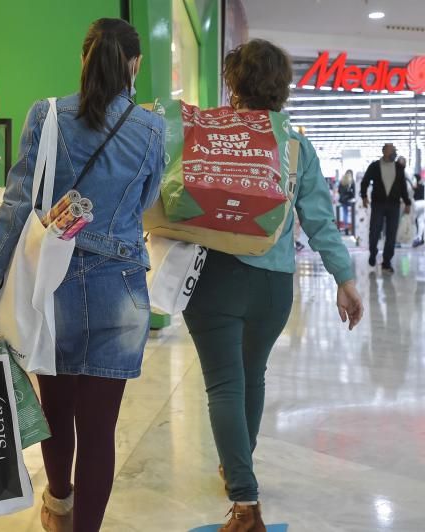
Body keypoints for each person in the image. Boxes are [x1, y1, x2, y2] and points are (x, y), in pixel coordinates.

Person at [0, 18, 164, 532]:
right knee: (100, 428)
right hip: (121, 288)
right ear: (135, 65)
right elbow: (144, 203)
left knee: (57, 413)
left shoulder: (47, 115)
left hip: (52, 284)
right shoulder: (152, 127)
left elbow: (17, 205)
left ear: (84, 59)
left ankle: (58, 504)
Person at [182, 39, 364, 531]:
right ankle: (238, 464)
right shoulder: (296, 145)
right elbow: (321, 222)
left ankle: (244, 501)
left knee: (224, 383)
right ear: (281, 87)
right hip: (273, 284)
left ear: (233, 83)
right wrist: (344, 280)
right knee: (252, 375)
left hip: (214, 277)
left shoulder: (207, 132)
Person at [360, 144, 412, 273]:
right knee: (375, 231)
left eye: (394, 150)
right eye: (391, 150)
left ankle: (386, 262)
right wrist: (364, 196)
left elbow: (403, 187)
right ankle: (373, 253)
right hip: (378, 204)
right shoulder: (374, 166)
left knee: (391, 233)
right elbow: (365, 181)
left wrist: (407, 203)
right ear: (384, 151)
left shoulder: (399, 168)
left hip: (394, 204)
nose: (394, 152)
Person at [337, 169, 355, 235]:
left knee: (345, 214)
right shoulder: (352, 181)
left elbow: (339, 191)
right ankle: (353, 229)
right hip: (350, 200)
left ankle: (346, 227)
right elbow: (354, 192)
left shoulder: (342, 180)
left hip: (343, 200)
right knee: (353, 214)